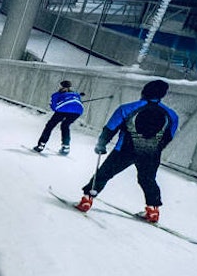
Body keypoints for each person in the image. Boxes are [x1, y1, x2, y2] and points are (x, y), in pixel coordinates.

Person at [76, 79, 180, 223]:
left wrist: (102, 144)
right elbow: (169, 136)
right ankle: (153, 210)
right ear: (162, 95)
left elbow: (111, 128)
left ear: (144, 92)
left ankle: (87, 200)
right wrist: (155, 148)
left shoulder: (127, 108)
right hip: (150, 154)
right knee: (147, 180)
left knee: (104, 174)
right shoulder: (171, 115)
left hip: (124, 150)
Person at [34, 81, 84, 154]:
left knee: (50, 126)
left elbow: (54, 107)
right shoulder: (76, 94)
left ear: (61, 87)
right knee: (65, 126)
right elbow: (77, 100)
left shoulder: (56, 95)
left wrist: (53, 105)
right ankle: (66, 147)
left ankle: (41, 145)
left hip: (62, 110)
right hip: (77, 111)